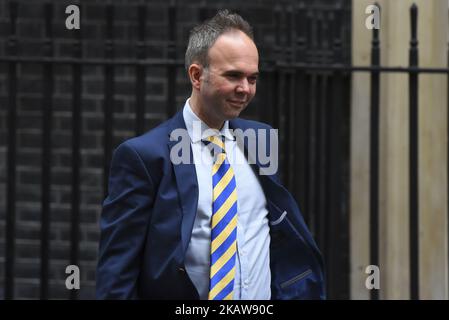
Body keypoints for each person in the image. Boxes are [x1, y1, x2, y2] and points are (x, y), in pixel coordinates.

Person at [96, 9, 325, 300]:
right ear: (196, 75)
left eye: (252, 78)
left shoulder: (261, 140)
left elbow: (276, 235)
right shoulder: (144, 156)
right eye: (233, 76)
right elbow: (117, 273)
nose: (245, 89)